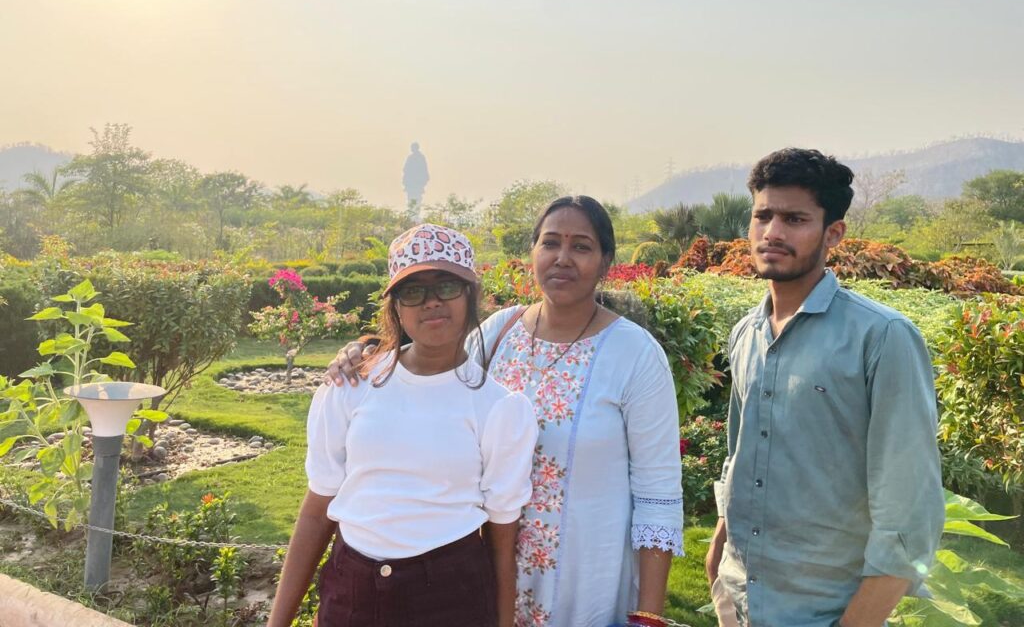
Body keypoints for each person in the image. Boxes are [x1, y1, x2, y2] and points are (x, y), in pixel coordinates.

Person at [328, 196, 683, 627]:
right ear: (533, 253)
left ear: (606, 261)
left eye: (582, 247)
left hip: (586, 577)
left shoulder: (635, 354)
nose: (563, 259)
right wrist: (365, 352)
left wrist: (648, 616)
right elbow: (430, 369)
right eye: (550, 243)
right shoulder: (501, 332)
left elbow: (657, 493)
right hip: (490, 568)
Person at [705, 148, 945, 627]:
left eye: (795, 219)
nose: (773, 232)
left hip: (824, 610)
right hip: (740, 604)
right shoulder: (746, 333)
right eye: (763, 216)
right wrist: (718, 561)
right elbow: (741, 453)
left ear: (833, 232)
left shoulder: (880, 338)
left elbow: (908, 512)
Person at [268, 223, 538, 627]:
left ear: (470, 295)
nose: (431, 303)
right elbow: (317, 507)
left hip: (452, 599)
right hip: (351, 594)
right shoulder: (351, 386)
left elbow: (502, 535)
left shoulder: (499, 408)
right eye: (413, 291)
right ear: (395, 307)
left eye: (447, 286)